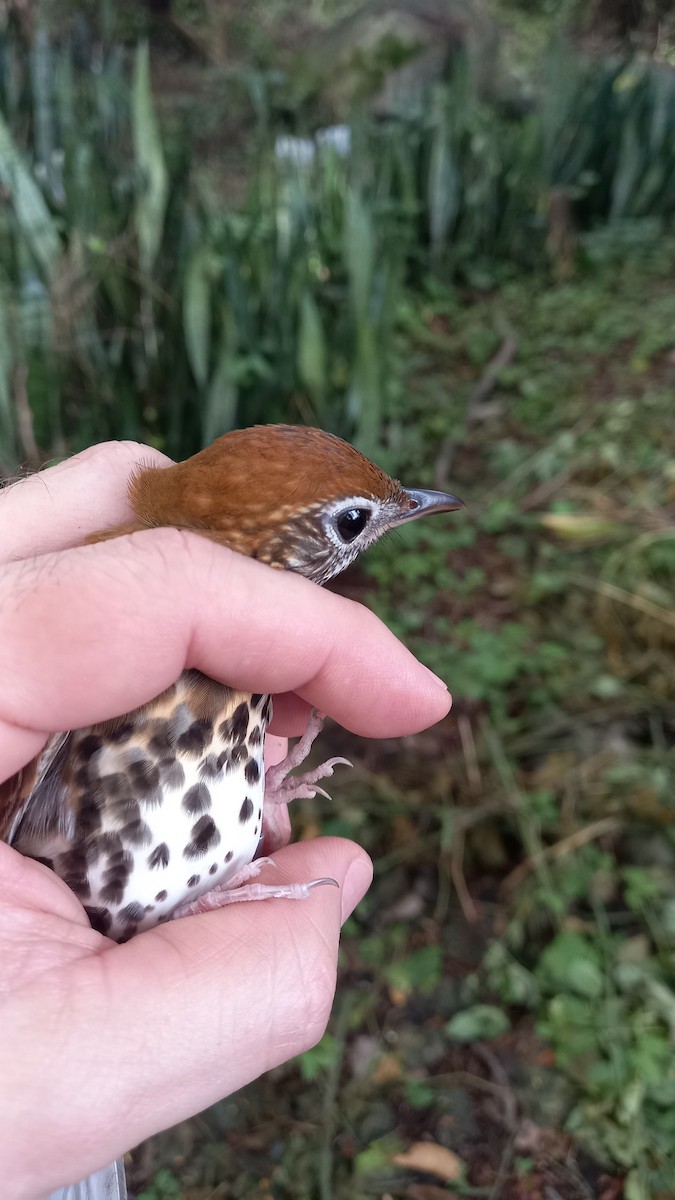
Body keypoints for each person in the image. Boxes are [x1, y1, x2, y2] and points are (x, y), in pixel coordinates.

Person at [0, 441, 452, 1200]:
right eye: (349, 522)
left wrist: (257, 795)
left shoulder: (191, 648)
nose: (411, 509)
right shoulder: (103, 673)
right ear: (266, 551)